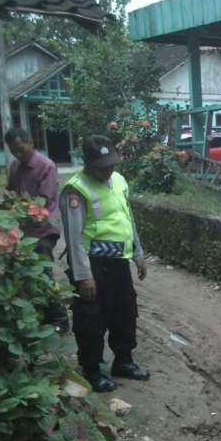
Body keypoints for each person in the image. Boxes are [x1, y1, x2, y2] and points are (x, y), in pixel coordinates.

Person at [59, 135, 150, 393]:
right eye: (102, 166)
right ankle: (92, 369)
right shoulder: (76, 189)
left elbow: (127, 217)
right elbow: (74, 236)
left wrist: (138, 252)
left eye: (111, 164)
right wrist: (83, 276)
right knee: (92, 319)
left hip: (119, 262)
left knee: (125, 313)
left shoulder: (119, 180)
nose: (108, 170)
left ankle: (124, 361)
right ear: (88, 164)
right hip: (93, 264)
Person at [4, 127, 69, 333]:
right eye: (14, 151)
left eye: (21, 149)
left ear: (31, 142)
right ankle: (42, 316)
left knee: (43, 273)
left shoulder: (46, 166)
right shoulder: (15, 166)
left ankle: (60, 320)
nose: (18, 154)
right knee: (27, 275)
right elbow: (11, 192)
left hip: (44, 228)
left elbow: (44, 201)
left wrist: (19, 205)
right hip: (24, 230)